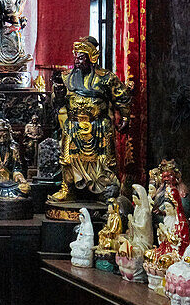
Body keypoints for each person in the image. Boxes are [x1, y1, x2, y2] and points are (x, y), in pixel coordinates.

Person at [49, 36, 132, 202]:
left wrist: (124, 115)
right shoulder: (66, 77)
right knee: (67, 159)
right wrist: (57, 95)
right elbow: (57, 103)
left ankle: (105, 190)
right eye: (76, 56)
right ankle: (68, 188)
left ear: (91, 57)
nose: (77, 61)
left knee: (104, 160)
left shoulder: (106, 78)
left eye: (81, 57)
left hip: (98, 126)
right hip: (73, 125)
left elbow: (121, 97)